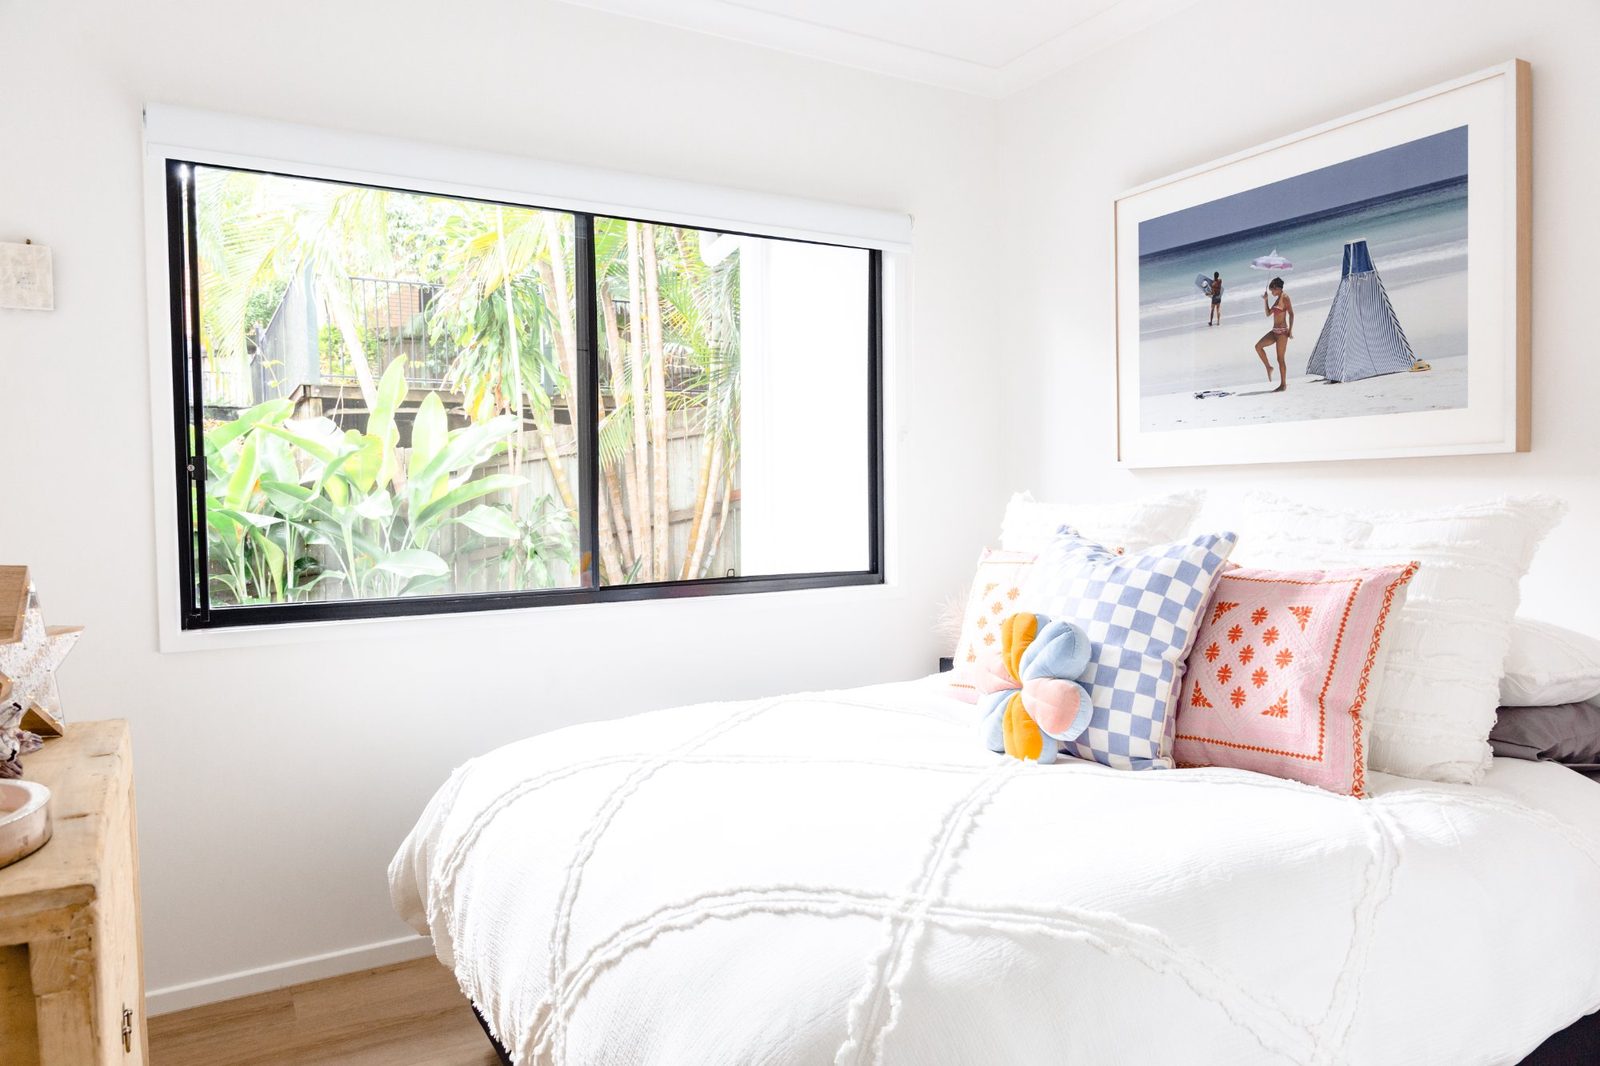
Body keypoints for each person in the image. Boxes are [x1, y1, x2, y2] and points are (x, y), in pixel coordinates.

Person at [1254, 277, 1293, 392]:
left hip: (1282, 333)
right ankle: (1268, 367)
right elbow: (1268, 313)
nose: (1271, 292)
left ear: (1277, 288)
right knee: (1258, 346)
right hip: (1274, 331)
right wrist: (1265, 300)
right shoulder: (1277, 299)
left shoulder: (1285, 298)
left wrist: (1290, 329)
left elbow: (1291, 314)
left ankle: (1283, 384)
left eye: (1272, 290)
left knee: (1280, 359)